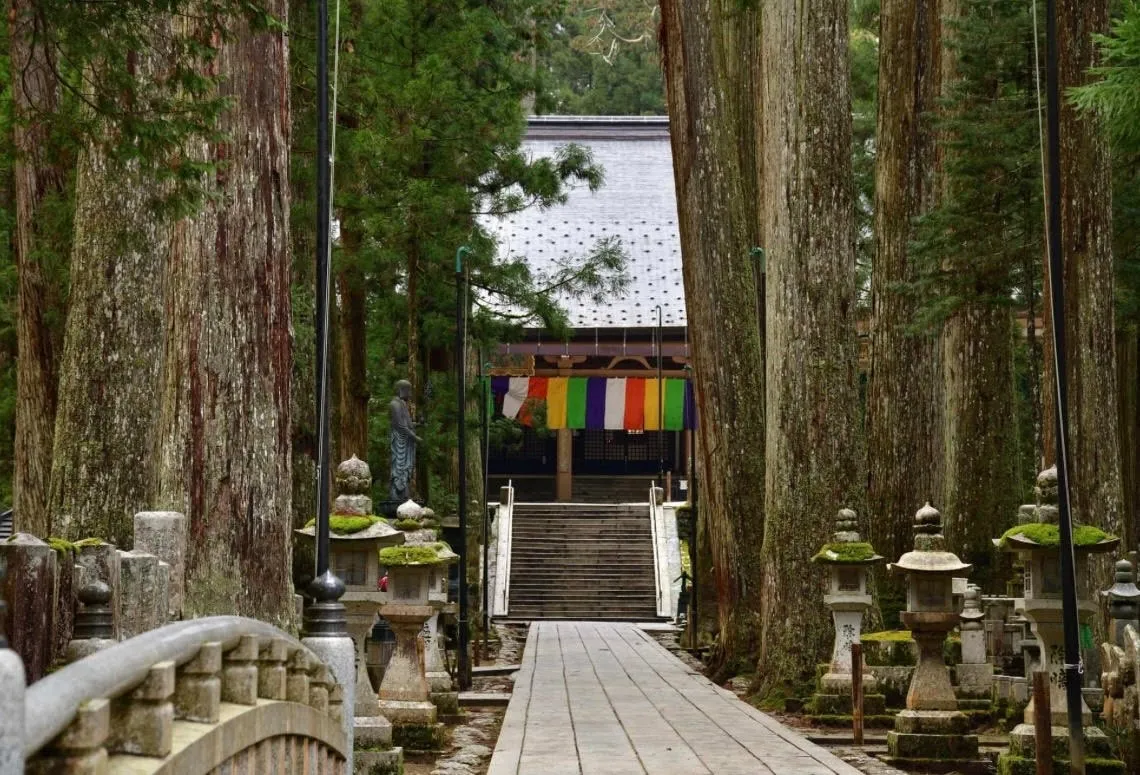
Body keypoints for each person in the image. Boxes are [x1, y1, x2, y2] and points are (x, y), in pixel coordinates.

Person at [388, 379, 422, 501]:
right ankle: (397, 495)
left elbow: (406, 423)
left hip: (405, 441)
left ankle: (404, 494)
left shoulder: (402, 404)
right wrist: (415, 437)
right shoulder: (394, 404)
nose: (410, 394)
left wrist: (418, 424)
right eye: (408, 391)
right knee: (398, 467)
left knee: (405, 469)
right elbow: (400, 426)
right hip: (399, 441)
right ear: (401, 390)